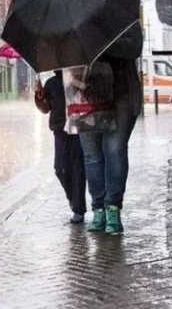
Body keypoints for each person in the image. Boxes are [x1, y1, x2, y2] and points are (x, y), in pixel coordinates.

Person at [78, 24, 143, 234]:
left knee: (114, 149)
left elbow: (134, 47)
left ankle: (112, 207)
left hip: (121, 94)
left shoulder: (123, 15)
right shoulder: (73, 20)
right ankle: (98, 209)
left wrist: (103, 43)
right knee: (92, 155)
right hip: (86, 94)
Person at [35, 71, 87, 224]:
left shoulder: (79, 79)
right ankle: (72, 197)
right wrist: (39, 94)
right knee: (60, 169)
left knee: (78, 169)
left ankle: (78, 209)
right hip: (60, 131)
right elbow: (45, 108)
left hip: (78, 130)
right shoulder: (52, 83)